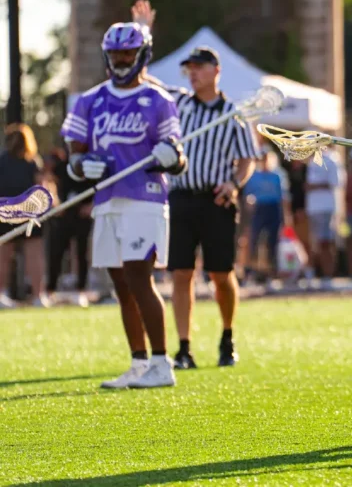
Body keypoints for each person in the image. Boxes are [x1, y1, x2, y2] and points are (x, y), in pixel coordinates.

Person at [60, 22, 188, 388]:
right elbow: (75, 154)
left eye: (127, 54)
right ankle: (138, 362)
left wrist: (168, 156)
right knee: (120, 283)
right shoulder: (90, 100)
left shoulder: (159, 101)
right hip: (107, 200)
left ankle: (163, 364)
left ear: (142, 55)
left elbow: (179, 158)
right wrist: (81, 166)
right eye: (116, 54)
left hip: (144, 198)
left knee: (138, 275)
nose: (120, 60)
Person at [163, 46, 259, 370]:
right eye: (190, 68)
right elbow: (144, 80)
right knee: (180, 272)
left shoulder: (233, 113)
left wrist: (234, 184)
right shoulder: (177, 104)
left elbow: (247, 159)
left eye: (200, 67)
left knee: (221, 273)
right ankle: (184, 347)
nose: (193, 73)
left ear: (216, 71)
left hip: (216, 200)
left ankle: (227, 336)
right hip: (181, 196)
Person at [0, 124, 51, 308]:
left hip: (12, 213)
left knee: (7, 255)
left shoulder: (9, 161)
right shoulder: (32, 162)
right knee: (31, 254)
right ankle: (38, 296)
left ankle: (6, 294)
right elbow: (43, 188)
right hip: (20, 213)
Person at [44, 143, 93, 306]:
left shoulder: (90, 162)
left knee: (81, 252)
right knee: (56, 251)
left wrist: (91, 205)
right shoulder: (62, 164)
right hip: (64, 214)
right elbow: (47, 178)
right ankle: (50, 290)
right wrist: (55, 202)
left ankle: (80, 290)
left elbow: (100, 185)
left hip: (83, 215)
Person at [243, 152, 291, 281]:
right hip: (259, 209)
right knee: (255, 240)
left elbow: (283, 198)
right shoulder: (254, 176)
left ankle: (272, 272)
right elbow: (248, 194)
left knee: (272, 242)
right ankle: (253, 271)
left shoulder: (277, 176)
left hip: (273, 209)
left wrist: (286, 216)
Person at [306, 148, 341, 278]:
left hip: (325, 208)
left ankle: (329, 273)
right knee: (315, 243)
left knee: (326, 242)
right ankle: (317, 273)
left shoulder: (332, 160)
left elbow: (334, 183)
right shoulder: (311, 162)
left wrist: (314, 186)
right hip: (313, 208)